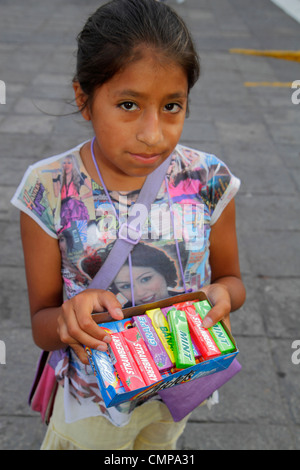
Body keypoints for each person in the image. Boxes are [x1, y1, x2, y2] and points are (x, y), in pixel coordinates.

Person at [11, 0, 246, 450]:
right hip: (94, 402)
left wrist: (222, 297)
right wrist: (69, 315)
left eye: (172, 106)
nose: (153, 133)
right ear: (84, 99)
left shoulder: (209, 179)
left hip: (178, 388)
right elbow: (42, 323)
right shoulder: (48, 188)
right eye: (128, 104)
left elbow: (233, 281)